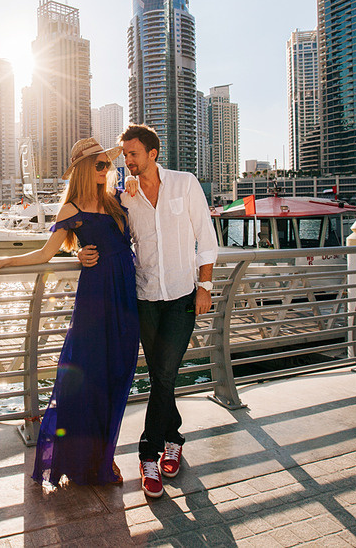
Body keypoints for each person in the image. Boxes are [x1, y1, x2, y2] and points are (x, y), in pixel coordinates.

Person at [0, 138, 138, 490]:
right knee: (88, 381)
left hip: (126, 296)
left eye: (107, 164)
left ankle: (104, 454)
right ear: (82, 169)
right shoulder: (71, 209)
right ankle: (87, 461)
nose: (105, 169)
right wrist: (4, 261)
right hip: (95, 300)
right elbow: (45, 253)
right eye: (99, 165)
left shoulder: (118, 201)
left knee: (118, 377)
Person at [78, 124, 218, 499]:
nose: (126, 160)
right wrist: (78, 252)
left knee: (166, 373)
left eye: (133, 153)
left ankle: (147, 455)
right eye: (124, 154)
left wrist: (205, 286)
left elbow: (206, 237)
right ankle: (173, 437)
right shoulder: (126, 198)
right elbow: (103, 232)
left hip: (183, 295)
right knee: (161, 376)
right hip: (144, 297)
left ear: (153, 153)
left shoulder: (185, 183)